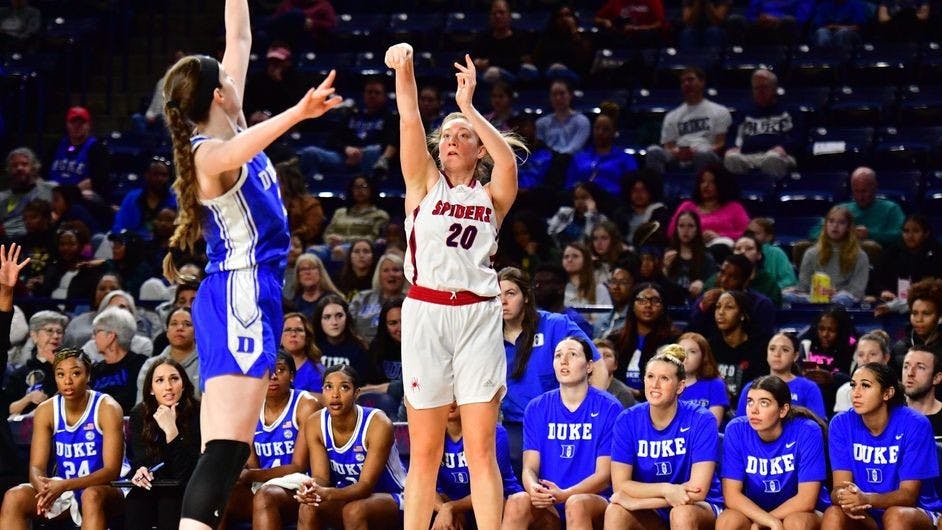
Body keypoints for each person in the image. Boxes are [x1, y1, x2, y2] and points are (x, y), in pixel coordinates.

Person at [159, 0, 342, 526]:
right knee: (226, 451)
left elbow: (238, 37)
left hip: (240, 292)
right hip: (240, 295)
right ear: (219, 93)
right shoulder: (207, 155)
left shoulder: (228, 120)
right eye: (227, 78)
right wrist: (300, 112)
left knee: (223, 450)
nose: (236, 73)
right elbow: (246, 145)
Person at [386, 41, 526, 530]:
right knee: (424, 452)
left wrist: (468, 108)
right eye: (446, 133)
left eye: (462, 135)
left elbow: (508, 162)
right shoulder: (424, 184)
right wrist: (405, 71)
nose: (450, 139)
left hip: (478, 316)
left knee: (480, 448)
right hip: (426, 313)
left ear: (477, 148)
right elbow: (409, 122)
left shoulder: (493, 195)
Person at [502, 336, 622, 530]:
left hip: (594, 501)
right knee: (517, 501)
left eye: (572, 355)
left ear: (590, 366)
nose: (563, 361)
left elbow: (605, 475)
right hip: (550, 501)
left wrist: (566, 494)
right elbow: (529, 468)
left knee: (575, 504)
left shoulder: (610, 407)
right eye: (558, 356)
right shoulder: (536, 407)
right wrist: (533, 487)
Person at [0, 348, 126, 530]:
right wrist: (44, 488)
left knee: (91, 496)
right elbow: (36, 467)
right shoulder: (46, 410)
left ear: (88, 375)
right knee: (14, 497)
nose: (67, 381)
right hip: (65, 490)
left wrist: (64, 485)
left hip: (108, 489)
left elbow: (111, 472)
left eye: (76, 373)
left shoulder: (107, 407)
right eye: (60, 374)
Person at [605, 344, 724, 530]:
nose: (655, 384)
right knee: (615, 511)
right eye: (650, 377)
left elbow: (698, 490)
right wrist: (666, 489)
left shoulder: (702, 418)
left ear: (680, 386)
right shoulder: (627, 420)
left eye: (664, 378)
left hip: (700, 506)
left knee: (681, 513)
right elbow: (621, 485)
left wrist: (639, 503)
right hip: (657, 506)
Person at [499, 267, 603, 478]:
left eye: (510, 293)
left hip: (559, 423)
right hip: (514, 425)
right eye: (496, 295)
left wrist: (589, 413)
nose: (502, 301)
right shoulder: (488, 335)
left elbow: (598, 366)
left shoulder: (555, 325)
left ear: (526, 297)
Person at [824, 362, 942, 530]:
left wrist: (868, 499)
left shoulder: (915, 424)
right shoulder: (840, 424)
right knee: (833, 514)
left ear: (887, 393)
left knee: (895, 516)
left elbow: (908, 495)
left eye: (865, 386)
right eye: (853, 385)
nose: (855, 393)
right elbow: (839, 487)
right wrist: (843, 495)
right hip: (866, 512)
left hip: (915, 511)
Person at [294, 365, 407, 529]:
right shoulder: (314, 423)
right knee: (309, 507)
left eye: (344, 387)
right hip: (347, 497)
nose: (335, 394)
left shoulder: (378, 424)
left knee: (354, 511)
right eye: (328, 386)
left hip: (396, 497)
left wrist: (328, 494)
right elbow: (322, 478)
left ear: (356, 393)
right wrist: (313, 489)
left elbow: (365, 486)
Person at [221, 352, 319, 530]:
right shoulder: (248, 406)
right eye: (266, 371)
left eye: (280, 370)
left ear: (292, 376)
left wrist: (251, 475)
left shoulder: (306, 404)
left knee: (265, 496)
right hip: (262, 485)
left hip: (299, 488)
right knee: (217, 497)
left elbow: (299, 466)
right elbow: (252, 465)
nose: (273, 376)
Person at [718, 375, 826, 530]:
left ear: (782, 410)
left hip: (800, 511)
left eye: (764, 403)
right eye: (750, 402)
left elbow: (806, 500)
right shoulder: (736, 429)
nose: (754, 410)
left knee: (795, 523)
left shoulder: (807, 430)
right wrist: (768, 521)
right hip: (755, 510)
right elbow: (732, 496)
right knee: (727, 521)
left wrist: (767, 521)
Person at [126, 359, 201, 530]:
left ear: (183, 384)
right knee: (136, 499)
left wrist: (171, 431)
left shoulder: (199, 413)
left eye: (174, 379)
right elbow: (142, 459)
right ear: (151, 389)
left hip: (186, 488)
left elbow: (186, 472)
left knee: (170, 500)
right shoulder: (139, 414)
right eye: (160, 380)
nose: (168, 386)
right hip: (155, 485)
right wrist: (142, 470)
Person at [434, 401, 523, 529]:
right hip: (454, 505)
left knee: (520, 500)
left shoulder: (496, 433)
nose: (451, 400)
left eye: (456, 393)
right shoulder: (431, 436)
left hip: (500, 502)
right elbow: (423, 485)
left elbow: (494, 488)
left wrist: (452, 507)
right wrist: (444, 508)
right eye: (447, 393)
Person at [645, 68, 732, 174]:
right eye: (683, 82)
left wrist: (697, 152)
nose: (686, 84)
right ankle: (656, 189)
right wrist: (678, 153)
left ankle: (701, 188)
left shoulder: (719, 110)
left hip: (707, 154)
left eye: (690, 80)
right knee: (653, 151)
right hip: (678, 157)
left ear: (702, 82)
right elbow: (669, 146)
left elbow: (720, 144)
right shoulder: (672, 115)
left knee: (702, 154)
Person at [786, 205, 870, 307]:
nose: (835, 226)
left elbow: (857, 291)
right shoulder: (811, 253)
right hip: (815, 298)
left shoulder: (860, 256)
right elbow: (804, 288)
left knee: (842, 299)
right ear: (825, 225)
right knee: (786, 297)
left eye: (841, 222)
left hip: (844, 300)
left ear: (848, 227)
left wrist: (835, 293)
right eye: (831, 221)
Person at [723, 69, 799, 179]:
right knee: (731, 158)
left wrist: (784, 147)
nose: (760, 91)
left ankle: (772, 193)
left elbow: (799, 136)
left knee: (773, 159)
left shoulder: (789, 110)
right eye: (756, 88)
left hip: (780, 154)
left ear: (774, 89)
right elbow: (732, 133)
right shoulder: (744, 111)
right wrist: (732, 147)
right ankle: (738, 194)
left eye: (764, 87)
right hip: (748, 155)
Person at [808, 167, 906, 251]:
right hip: (841, 252)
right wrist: (839, 233)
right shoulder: (841, 209)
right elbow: (814, 232)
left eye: (864, 191)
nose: (860, 196)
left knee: (870, 246)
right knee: (803, 246)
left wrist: (870, 235)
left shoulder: (891, 209)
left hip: (878, 257)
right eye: (856, 191)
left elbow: (900, 236)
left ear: (874, 188)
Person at [735, 332, 826, 419]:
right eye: (772, 349)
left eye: (785, 350)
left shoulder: (809, 387)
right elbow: (740, 425)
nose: (777, 354)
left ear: (795, 356)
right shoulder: (751, 387)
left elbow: (818, 425)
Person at [610, 283, 676, 396]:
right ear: (632, 306)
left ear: (663, 307)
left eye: (655, 301)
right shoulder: (615, 339)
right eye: (642, 300)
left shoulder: (673, 341)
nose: (648, 305)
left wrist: (640, 393)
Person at [666, 165, 750, 249]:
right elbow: (671, 233)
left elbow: (748, 234)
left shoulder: (735, 208)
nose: (705, 186)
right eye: (702, 181)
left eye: (712, 182)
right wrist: (696, 237)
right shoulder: (687, 206)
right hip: (692, 249)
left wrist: (720, 236)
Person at [873, 215, 942, 316]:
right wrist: (883, 291)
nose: (910, 236)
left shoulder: (937, 253)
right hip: (893, 300)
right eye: (906, 231)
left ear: (926, 233)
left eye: (916, 231)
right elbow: (876, 278)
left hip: (927, 303)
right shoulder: (893, 251)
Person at [709, 290, 769, 403]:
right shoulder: (709, 347)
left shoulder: (760, 349)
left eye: (729, 307)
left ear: (742, 315)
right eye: (718, 307)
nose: (721, 312)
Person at [4, 310, 66, 416]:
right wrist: (28, 398)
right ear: (34, 336)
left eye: (59, 332)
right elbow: (7, 409)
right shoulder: (21, 374)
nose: (56, 336)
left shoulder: (71, 369)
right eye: (49, 331)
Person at [89, 306, 149, 414]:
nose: (93, 338)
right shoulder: (95, 370)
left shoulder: (141, 364)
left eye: (97, 332)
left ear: (111, 336)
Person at [137, 307, 200, 403]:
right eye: (174, 324)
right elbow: (142, 405)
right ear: (167, 332)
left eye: (187, 324)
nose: (180, 328)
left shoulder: (206, 364)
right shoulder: (150, 365)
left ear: (197, 332)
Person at [47, 106, 110, 199]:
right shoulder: (57, 145)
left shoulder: (96, 148)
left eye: (82, 123)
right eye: (73, 122)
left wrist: (69, 194)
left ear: (89, 125)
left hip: (80, 198)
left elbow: (97, 180)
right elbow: (43, 173)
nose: (77, 126)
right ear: (67, 124)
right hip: (52, 195)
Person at [112, 156, 178, 239]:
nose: (160, 178)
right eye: (156, 174)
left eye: (164, 175)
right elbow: (119, 226)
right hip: (133, 243)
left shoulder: (176, 200)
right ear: (147, 175)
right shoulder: (132, 198)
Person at [348, 253, 408, 343]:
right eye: (386, 270)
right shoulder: (361, 298)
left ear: (404, 275)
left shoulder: (411, 302)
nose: (391, 274)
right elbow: (349, 326)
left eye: (396, 270)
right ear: (378, 275)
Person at [0, 147, 54, 239]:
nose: (19, 168)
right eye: (14, 165)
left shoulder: (48, 190)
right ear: (9, 170)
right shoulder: (2, 197)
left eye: (24, 164)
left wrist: (6, 229)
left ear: (33, 167)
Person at [834, 331, 893, 413]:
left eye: (872, 354)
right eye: (861, 355)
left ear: (886, 358)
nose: (865, 359)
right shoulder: (845, 392)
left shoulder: (895, 391)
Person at [678, 332, 728, 426]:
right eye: (681, 351)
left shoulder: (715, 384)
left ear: (703, 356)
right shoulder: (669, 384)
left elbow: (713, 425)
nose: (685, 356)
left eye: (692, 351)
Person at [664, 210, 716, 301]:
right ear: (676, 229)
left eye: (690, 226)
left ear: (697, 230)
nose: (686, 230)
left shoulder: (707, 257)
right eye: (681, 226)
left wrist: (703, 283)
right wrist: (665, 268)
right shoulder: (667, 255)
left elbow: (713, 283)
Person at [311, 294, 369, 374]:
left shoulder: (359, 349)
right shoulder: (311, 347)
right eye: (327, 317)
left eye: (339, 316)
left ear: (347, 318)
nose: (334, 322)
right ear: (319, 320)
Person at [891, 278, 942, 366]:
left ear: (939, 315)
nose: (919, 319)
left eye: (926, 313)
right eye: (914, 313)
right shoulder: (900, 348)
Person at [281, 312, 325, 396]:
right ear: (280, 338)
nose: (293, 334)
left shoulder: (319, 372)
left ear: (307, 337)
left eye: (299, 330)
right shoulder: (269, 370)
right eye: (288, 330)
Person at [288, 253, 342, 320]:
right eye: (303, 269)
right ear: (298, 275)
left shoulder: (334, 300)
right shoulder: (292, 303)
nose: (307, 272)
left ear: (320, 272)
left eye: (312, 268)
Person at [902, 348, 942, 439]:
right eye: (906, 366)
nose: (910, 373)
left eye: (920, 367)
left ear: (936, 378)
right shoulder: (888, 415)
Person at [595, 338, 637, 408]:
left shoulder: (623, 394)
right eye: (597, 355)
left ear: (615, 365)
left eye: (607, 356)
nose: (601, 359)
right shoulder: (579, 389)